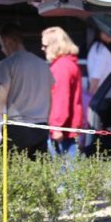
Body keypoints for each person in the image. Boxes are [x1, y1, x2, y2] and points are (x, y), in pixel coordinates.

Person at [0, 23, 53, 159]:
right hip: (41, 127)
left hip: (18, 127)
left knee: (11, 173)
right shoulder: (42, 64)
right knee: (38, 174)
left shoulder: (7, 64)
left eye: (2, 44)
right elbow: (50, 98)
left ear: (8, 42)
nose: (2, 49)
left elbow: (1, 98)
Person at [41, 27, 83, 159]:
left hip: (63, 131)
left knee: (63, 176)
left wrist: (56, 127)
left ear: (54, 46)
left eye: (45, 45)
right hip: (68, 129)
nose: (42, 48)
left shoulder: (61, 67)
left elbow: (61, 99)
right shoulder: (68, 63)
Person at [86, 31, 111, 95]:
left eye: (110, 31)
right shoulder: (103, 50)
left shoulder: (96, 47)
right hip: (102, 94)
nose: (108, 34)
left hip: (102, 92)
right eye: (104, 31)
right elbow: (95, 77)